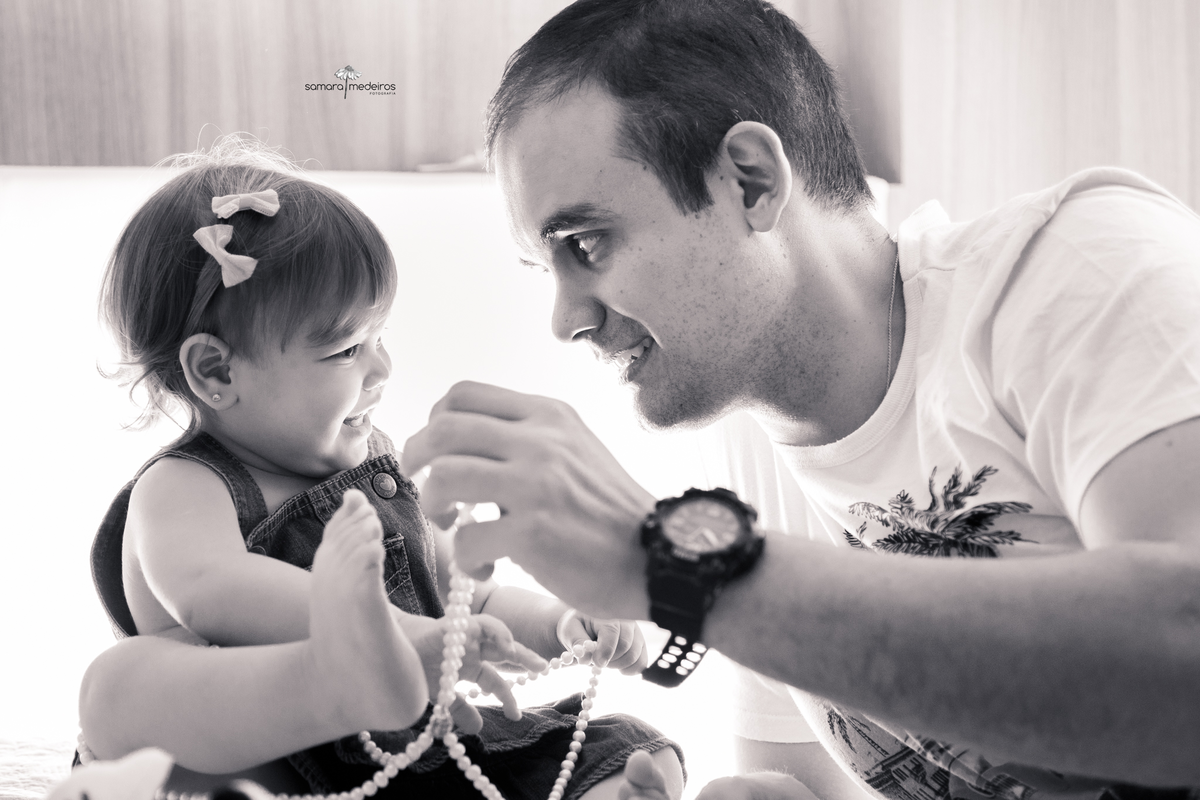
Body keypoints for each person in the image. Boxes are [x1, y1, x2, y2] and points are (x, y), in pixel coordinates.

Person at [398, 0, 1200, 797]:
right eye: (548, 271)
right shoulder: (750, 439)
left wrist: (676, 565)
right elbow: (809, 782)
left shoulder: (1081, 267)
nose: (566, 319)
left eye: (587, 244)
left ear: (751, 180)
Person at [74, 138, 684, 800]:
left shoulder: (375, 467)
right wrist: (409, 642)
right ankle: (338, 684)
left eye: (380, 338)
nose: (382, 368)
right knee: (115, 687)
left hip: (415, 762)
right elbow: (218, 594)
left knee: (625, 746)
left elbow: (464, 594)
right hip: (266, 774)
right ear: (216, 371)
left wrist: (562, 623)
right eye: (345, 350)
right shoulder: (185, 488)